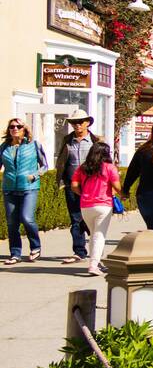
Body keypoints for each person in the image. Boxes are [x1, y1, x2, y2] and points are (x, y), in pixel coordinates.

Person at [54, 108, 104, 265]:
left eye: (80, 122)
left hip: (92, 186)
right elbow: (61, 162)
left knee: (92, 220)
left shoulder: (97, 141)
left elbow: (105, 163)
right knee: (75, 219)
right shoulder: (67, 141)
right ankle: (79, 251)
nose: (77, 125)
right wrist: (61, 181)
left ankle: (97, 248)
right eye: (74, 123)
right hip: (72, 185)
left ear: (87, 123)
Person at [69, 142, 120, 276]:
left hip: (86, 205)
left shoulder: (83, 168)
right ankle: (93, 265)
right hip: (103, 205)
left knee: (93, 234)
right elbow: (117, 186)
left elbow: (74, 185)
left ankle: (96, 262)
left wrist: (84, 193)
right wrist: (125, 194)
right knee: (99, 235)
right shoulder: (109, 168)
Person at [2, 118, 46, 264]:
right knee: (12, 222)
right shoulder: (4, 147)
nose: (15, 128)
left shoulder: (33, 145)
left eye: (18, 126)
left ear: (24, 129)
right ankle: (15, 254)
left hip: (29, 187)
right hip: (9, 189)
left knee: (27, 218)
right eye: (12, 126)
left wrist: (35, 175)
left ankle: (35, 247)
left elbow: (44, 166)